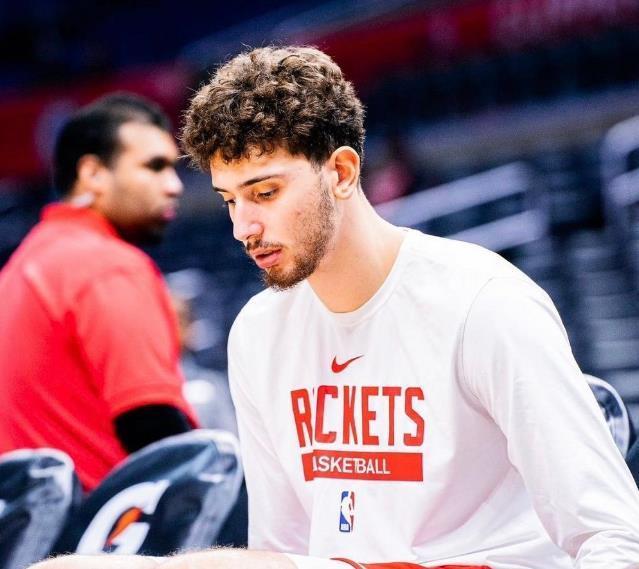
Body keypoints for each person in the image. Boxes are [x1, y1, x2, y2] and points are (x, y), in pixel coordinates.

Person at [31, 47, 639, 569]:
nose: (243, 227)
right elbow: (283, 550)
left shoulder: (484, 303)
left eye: (265, 192)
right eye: (229, 200)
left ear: (342, 172)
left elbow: (616, 539)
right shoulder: (258, 332)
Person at [0, 93, 199, 492]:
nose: (174, 186)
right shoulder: (108, 265)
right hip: (106, 523)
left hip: (38, 523)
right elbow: (153, 427)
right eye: (154, 167)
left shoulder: (21, 266)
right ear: (92, 173)